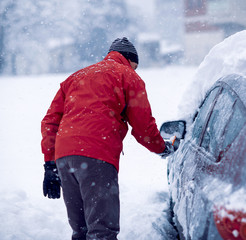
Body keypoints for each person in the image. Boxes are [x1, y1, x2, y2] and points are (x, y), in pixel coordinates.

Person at [41, 37, 173, 240]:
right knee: (102, 232)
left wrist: (49, 165)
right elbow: (143, 126)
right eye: (135, 66)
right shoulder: (128, 76)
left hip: (64, 157)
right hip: (96, 157)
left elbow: (50, 121)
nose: (135, 70)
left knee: (81, 231)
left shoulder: (76, 76)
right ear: (130, 61)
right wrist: (161, 148)